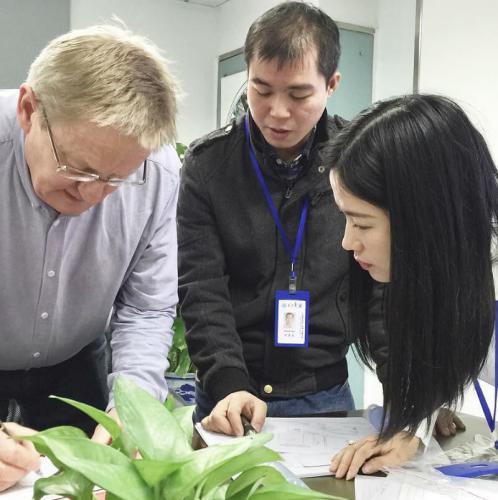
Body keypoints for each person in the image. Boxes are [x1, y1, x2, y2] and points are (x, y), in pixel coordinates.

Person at [178, 1, 388, 437]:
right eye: (261, 89)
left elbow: (380, 289)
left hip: (323, 394)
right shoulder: (208, 167)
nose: (276, 111)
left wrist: (413, 395)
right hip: (229, 396)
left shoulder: (357, 163)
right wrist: (228, 383)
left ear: (331, 84)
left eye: (297, 94)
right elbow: (202, 289)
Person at [0, 24, 180, 489]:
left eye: (116, 178)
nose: (94, 195)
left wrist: (135, 409)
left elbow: (146, 305)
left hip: (76, 369)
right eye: (76, 169)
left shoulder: (157, 171)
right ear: (28, 110)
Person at [327, 94, 498, 479]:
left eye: (363, 224)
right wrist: (409, 427)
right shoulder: (444, 270)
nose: (347, 242)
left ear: (425, 216)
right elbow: (435, 357)